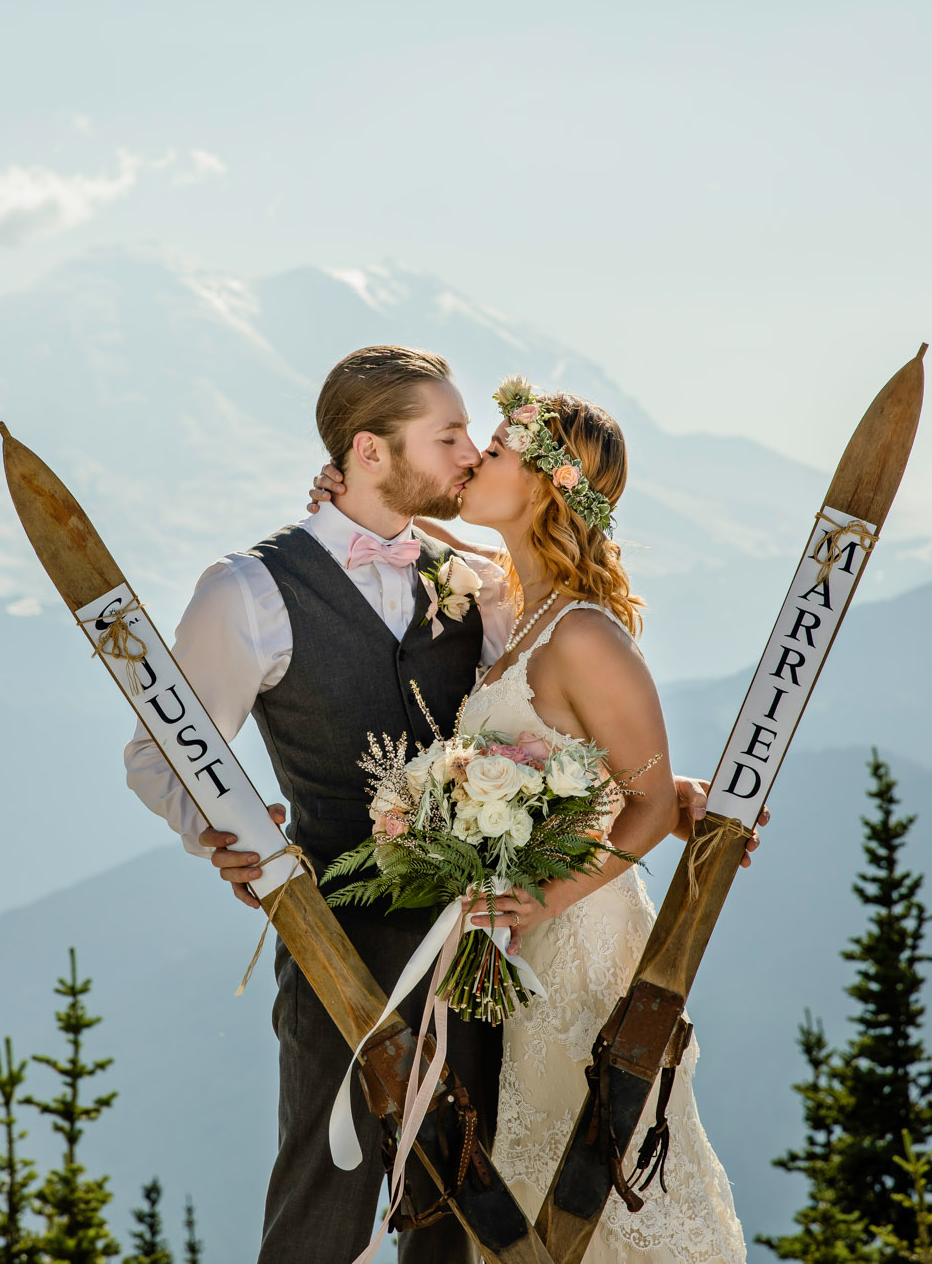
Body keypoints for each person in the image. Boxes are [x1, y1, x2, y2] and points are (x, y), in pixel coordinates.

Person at [308, 377, 753, 1262]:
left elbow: (650, 800)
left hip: (574, 946)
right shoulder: (517, 603)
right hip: (515, 953)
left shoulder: (584, 634)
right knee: (520, 1185)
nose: (475, 457)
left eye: (498, 451)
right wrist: (352, 505)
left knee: (585, 1186)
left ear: (547, 487)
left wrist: (550, 898)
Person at [125, 345, 510, 1264]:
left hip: (474, 952)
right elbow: (157, 752)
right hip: (334, 941)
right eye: (448, 435)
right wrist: (233, 836)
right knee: (321, 1208)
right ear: (371, 452)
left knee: (458, 1216)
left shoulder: (472, 580)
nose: (469, 453)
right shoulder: (248, 589)